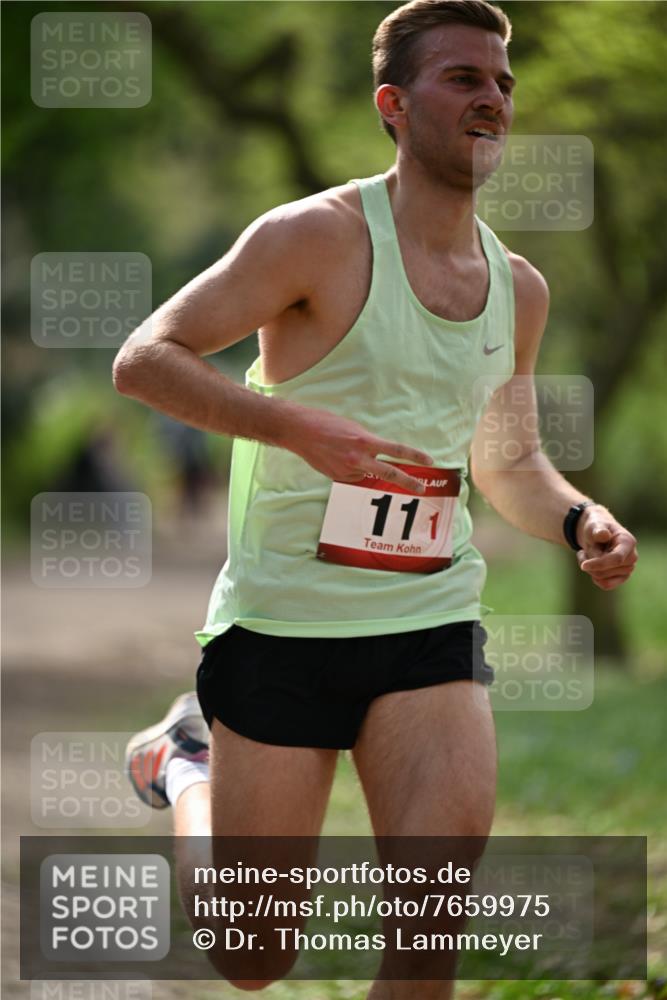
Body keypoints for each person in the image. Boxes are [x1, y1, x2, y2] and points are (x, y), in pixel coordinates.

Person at [113, 1, 638, 995]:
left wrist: (579, 517)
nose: (492, 99)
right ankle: (185, 760)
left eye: (502, 83)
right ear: (392, 105)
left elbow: (506, 463)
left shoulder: (517, 287)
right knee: (251, 956)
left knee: (427, 935)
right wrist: (292, 425)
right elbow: (145, 361)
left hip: (427, 624)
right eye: (463, 79)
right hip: (280, 627)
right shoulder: (310, 238)